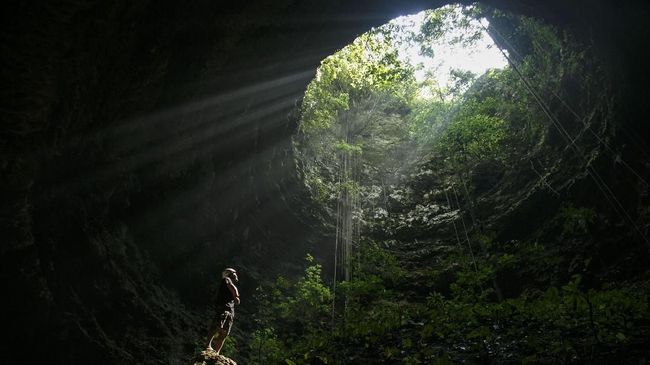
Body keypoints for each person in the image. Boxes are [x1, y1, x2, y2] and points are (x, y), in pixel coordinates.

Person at [206, 267, 240, 354]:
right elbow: (231, 287)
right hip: (223, 308)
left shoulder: (227, 282)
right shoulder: (226, 279)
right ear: (230, 274)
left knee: (224, 332)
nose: (236, 275)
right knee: (216, 326)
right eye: (234, 273)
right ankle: (208, 346)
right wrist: (236, 296)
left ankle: (216, 353)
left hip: (230, 309)